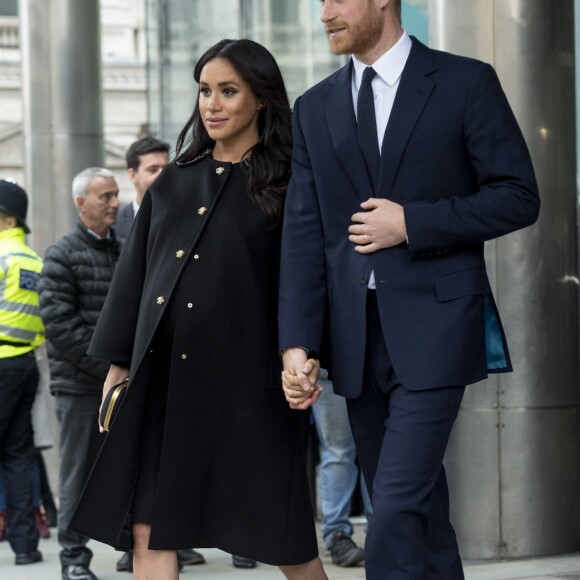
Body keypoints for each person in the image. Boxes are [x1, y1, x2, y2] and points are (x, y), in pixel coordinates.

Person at [278, 1, 540, 578]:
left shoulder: (465, 81)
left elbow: (519, 195)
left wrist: (412, 224)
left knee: (392, 510)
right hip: (354, 340)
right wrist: (296, 342)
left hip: (437, 328)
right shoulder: (314, 106)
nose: (325, 13)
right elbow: (303, 235)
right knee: (420, 513)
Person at [69, 39, 327, 580]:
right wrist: (119, 366)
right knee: (149, 531)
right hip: (163, 384)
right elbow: (134, 279)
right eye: (205, 90)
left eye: (228, 91)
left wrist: (307, 357)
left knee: (286, 542)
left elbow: (306, 282)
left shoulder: (289, 183)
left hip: (251, 389)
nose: (211, 104)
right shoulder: (174, 182)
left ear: (260, 98)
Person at [38, 167, 122, 580]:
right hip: (79, 387)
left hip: (121, 385)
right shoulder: (60, 254)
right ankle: (73, 559)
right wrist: (108, 368)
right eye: (104, 196)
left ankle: (130, 549)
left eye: (114, 195)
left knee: (129, 468)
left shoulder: (124, 250)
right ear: (81, 203)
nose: (113, 203)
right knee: (76, 475)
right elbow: (60, 328)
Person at [0, 179, 45, 566]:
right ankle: (25, 546)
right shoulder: (32, 260)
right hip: (25, 363)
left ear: (7, 218)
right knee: (18, 455)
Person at [312, 370, 371, 568]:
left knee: (375, 449)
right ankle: (337, 535)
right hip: (329, 369)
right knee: (338, 452)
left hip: (374, 366)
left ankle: (380, 531)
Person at [115, 136, 170, 240]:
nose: (163, 175)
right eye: (153, 170)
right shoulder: (114, 223)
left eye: (166, 169)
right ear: (133, 175)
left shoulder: (187, 215)